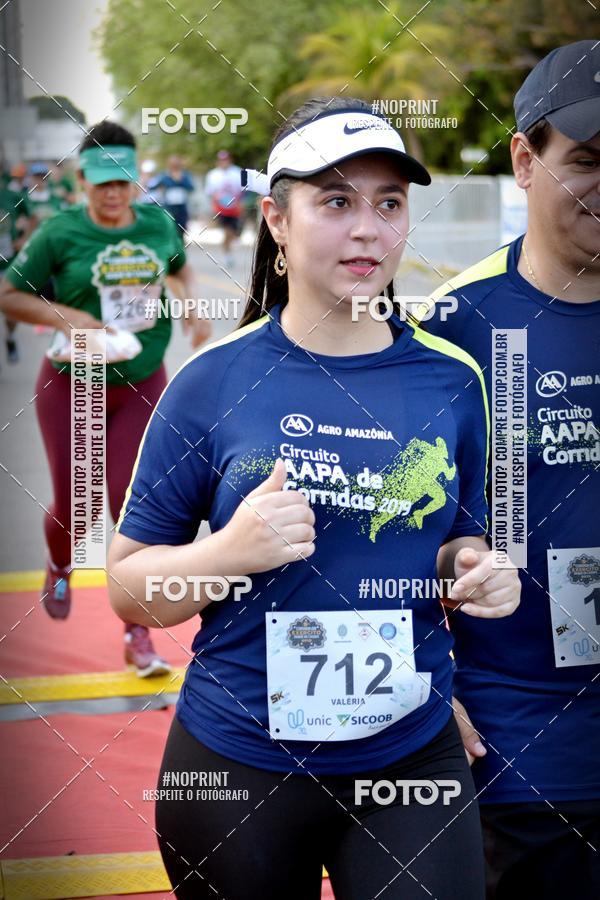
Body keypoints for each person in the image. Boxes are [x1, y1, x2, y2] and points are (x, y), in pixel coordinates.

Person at [108, 97, 521, 899]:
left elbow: (457, 539)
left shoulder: (454, 379)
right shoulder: (211, 381)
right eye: (335, 202)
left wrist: (475, 567)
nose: (368, 230)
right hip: (238, 766)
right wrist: (229, 552)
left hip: (410, 760)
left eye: (389, 204)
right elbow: (129, 590)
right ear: (276, 220)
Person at [426, 40, 600, 900]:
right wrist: (426, 684)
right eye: (589, 161)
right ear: (525, 160)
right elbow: (379, 532)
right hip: (525, 754)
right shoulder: (449, 329)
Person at [0, 121, 211, 676]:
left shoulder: (157, 223)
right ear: (82, 181)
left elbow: (180, 269)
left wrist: (191, 306)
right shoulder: (60, 232)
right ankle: (59, 562)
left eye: (121, 181)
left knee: (132, 502)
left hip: (142, 381)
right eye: (101, 183)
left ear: (135, 178)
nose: (113, 193)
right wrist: (68, 316)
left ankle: (137, 630)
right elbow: (8, 294)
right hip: (74, 382)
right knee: (79, 505)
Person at [0, 174, 32, 364]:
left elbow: (32, 217)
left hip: (8, 265)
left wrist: (23, 238)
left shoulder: (11, 196)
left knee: (11, 313)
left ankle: (10, 338)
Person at [204, 149, 242, 268]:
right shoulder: (213, 174)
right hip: (221, 208)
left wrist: (241, 203)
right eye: (221, 160)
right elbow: (210, 192)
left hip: (235, 207)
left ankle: (229, 247)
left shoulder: (237, 172)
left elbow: (244, 190)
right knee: (227, 231)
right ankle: (227, 255)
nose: (224, 162)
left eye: (226, 159)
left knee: (234, 232)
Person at [152, 155, 195, 234]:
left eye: (177, 164)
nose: (175, 166)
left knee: (182, 226)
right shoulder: (164, 175)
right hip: (169, 206)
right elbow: (153, 186)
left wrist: (180, 180)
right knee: (170, 225)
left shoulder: (185, 175)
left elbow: (191, 187)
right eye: (173, 164)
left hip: (182, 206)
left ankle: (181, 240)